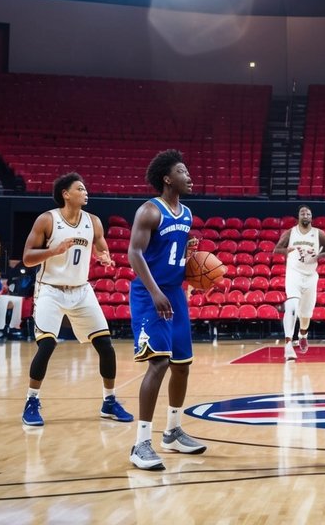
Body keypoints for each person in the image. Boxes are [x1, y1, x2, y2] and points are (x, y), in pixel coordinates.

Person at [19, 172, 134, 427]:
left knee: (105, 344)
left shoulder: (93, 221)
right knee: (47, 345)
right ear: (66, 194)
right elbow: (27, 258)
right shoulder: (47, 219)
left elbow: (102, 248)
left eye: (85, 188)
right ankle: (31, 401)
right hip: (50, 289)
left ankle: (109, 401)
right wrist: (54, 250)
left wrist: (104, 257)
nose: (85, 192)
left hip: (81, 289)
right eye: (80, 189)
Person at [126, 149, 208, 470]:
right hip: (151, 295)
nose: (189, 177)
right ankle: (141, 443)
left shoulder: (186, 213)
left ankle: (172, 431)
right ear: (167, 178)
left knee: (182, 365)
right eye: (182, 172)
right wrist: (156, 291)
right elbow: (135, 253)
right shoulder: (149, 211)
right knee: (158, 364)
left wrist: (188, 257)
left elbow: (169, 252)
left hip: (175, 294)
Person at [273, 205, 325, 361]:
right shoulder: (290, 233)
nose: (305, 214)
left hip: (311, 276)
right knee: (292, 305)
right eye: (302, 213)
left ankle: (302, 334)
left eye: (308, 213)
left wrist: (317, 256)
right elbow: (276, 249)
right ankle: (288, 346)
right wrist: (288, 250)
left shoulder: (319, 234)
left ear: (311, 217)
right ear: (298, 216)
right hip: (294, 274)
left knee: (306, 314)